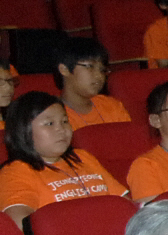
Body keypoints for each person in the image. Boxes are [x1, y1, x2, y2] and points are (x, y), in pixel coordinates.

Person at [0, 92, 129, 225]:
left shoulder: (82, 157)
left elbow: (125, 204)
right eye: (50, 123)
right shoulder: (16, 172)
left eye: (65, 121)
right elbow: (21, 223)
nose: (61, 129)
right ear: (23, 130)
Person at [56, 36, 131, 127]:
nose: (99, 76)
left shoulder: (111, 106)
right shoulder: (54, 116)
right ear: (64, 69)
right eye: (89, 67)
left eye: (102, 70)